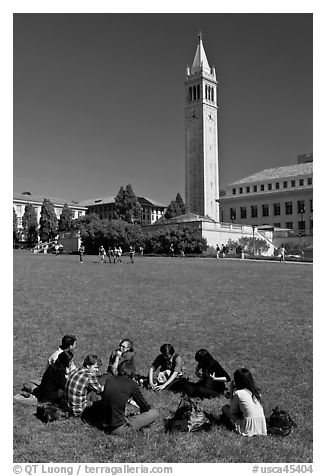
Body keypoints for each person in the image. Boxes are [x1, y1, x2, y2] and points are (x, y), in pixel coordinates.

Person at [101, 364, 159, 436]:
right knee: (154, 412)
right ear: (132, 374)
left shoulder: (110, 379)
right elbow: (145, 407)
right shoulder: (131, 384)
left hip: (103, 423)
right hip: (119, 429)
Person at [221, 368, 267, 437]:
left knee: (225, 408)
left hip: (247, 426)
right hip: (261, 426)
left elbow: (232, 411)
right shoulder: (256, 391)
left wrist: (231, 391)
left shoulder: (238, 393)